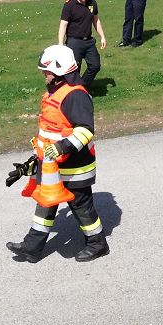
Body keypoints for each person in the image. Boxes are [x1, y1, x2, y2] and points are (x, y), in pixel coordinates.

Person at [7, 44, 109, 263]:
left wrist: (62, 148)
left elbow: (85, 130)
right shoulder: (55, 91)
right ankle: (32, 247)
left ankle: (97, 243)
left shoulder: (75, 96)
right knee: (46, 202)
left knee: (81, 206)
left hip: (76, 166)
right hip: (53, 164)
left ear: (61, 70)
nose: (44, 74)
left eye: (48, 70)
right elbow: (50, 132)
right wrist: (34, 161)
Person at [58, 0, 107, 87]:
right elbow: (63, 25)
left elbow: (96, 21)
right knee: (74, 71)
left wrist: (102, 37)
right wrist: (60, 43)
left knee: (95, 66)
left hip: (89, 42)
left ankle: (82, 87)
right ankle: (72, 93)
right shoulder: (69, 5)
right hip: (74, 42)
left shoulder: (92, 2)